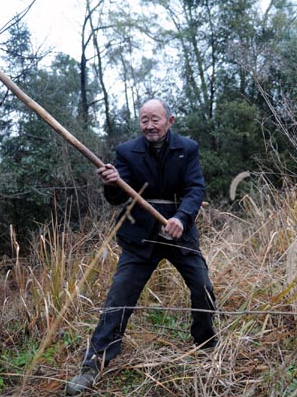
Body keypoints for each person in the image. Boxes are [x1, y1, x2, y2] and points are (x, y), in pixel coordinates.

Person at [65, 98, 218, 395]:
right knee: (119, 297)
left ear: (169, 121)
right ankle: (93, 364)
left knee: (203, 287)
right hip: (139, 237)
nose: (149, 125)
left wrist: (182, 218)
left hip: (179, 233)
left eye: (155, 119)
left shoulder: (188, 149)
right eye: (144, 119)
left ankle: (206, 345)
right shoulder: (126, 152)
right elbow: (117, 199)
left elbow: (195, 189)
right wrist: (112, 182)